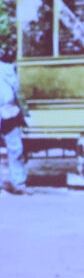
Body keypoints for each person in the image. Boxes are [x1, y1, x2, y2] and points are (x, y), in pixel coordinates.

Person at [1, 59, 27, 194]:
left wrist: (24, 111)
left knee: (16, 148)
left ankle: (18, 183)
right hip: (8, 112)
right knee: (15, 149)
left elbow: (17, 90)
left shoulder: (7, 69)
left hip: (8, 112)